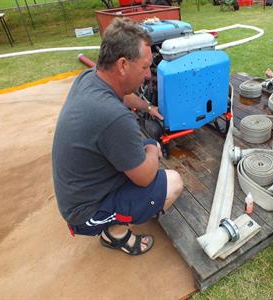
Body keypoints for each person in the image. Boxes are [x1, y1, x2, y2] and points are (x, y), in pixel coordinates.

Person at [52, 18, 183, 256]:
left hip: (80, 187)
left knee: (139, 151)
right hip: (83, 212)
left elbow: (123, 96)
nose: (147, 75)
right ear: (122, 65)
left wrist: (148, 107)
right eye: (144, 67)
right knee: (172, 182)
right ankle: (116, 233)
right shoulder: (113, 118)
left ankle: (115, 219)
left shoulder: (91, 78)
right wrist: (153, 147)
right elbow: (144, 178)